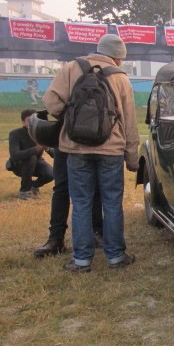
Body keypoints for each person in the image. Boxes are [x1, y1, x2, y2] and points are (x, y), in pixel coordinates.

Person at [43, 34, 140, 272]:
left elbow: (51, 103)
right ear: (118, 56)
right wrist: (132, 157)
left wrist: (73, 117)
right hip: (111, 150)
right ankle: (116, 257)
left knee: (81, 203)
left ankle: (81, 260)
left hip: (76, 149)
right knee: (112, 203)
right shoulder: (120, 78)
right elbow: (129, 121)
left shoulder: (71, 68)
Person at [7, 109, 54, 200]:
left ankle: (33, 186)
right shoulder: (15, 134)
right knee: (31, 158)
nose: (32, 122)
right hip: (19, 165)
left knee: (50, 174)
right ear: (23, 122)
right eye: (29, 120)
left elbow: (55, 155)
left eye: (35, 120)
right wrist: (35, 149)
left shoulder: (41, 133)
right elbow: (15, 155)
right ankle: (24, 191)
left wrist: (47, 148)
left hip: (36, 163)